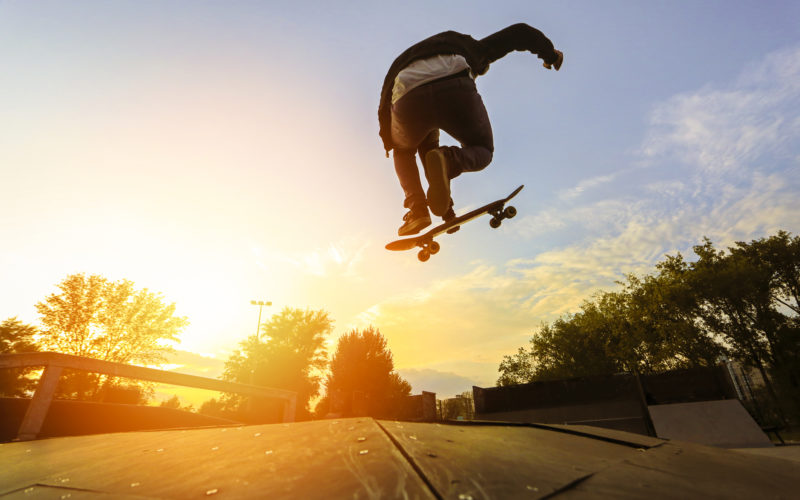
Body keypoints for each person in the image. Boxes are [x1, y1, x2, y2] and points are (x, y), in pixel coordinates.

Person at [378, 23, 563, 236]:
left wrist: (390, 141)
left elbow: (386, 105)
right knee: (481, 149)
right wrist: (550, 55)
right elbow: (519, 33)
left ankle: (417, 210)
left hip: (407, 96)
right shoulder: (471, 47)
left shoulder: (402, 63)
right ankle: (450, 160)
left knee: (404, 151)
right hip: (455, 82)